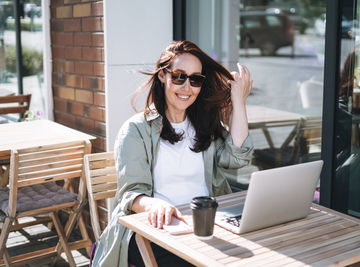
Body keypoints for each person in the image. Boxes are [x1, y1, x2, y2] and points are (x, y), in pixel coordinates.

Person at [92, 40, 254, 267]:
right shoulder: (136, 130)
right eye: (179, 76)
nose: (187, 87)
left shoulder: (203, 125)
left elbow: (238, 158)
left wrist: (239, 101)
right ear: (162, 76)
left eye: (195, 79)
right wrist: (156, 206)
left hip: (206, 225)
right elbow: (131, 194)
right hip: (155, 232)